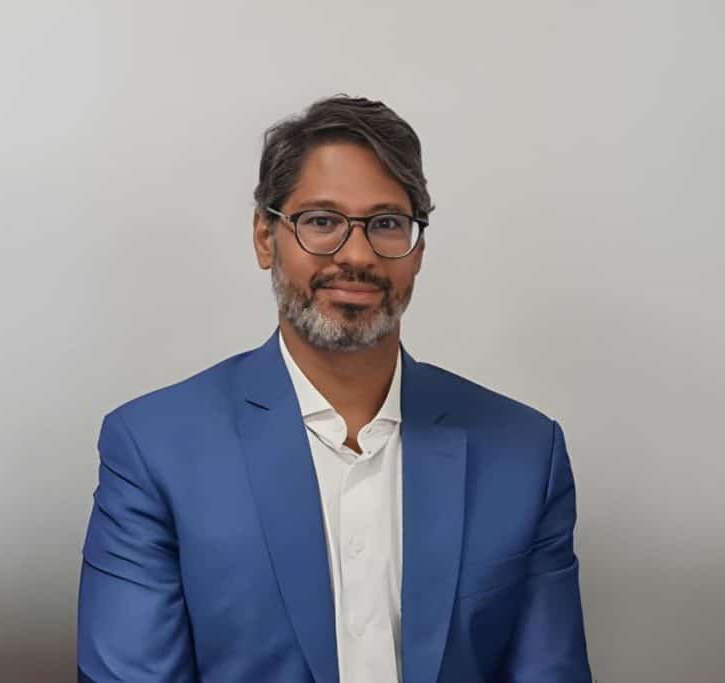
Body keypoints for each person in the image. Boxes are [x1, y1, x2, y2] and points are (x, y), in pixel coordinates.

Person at [77, 95, 592, 683]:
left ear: (419, 249)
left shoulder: (524, 453)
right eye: (321, 221)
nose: (356, 255)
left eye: (386, 223)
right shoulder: (155, 449)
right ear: (265, 237)